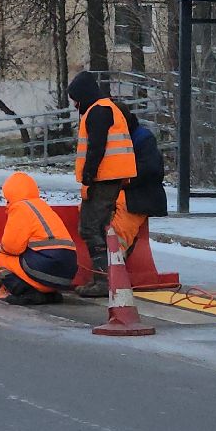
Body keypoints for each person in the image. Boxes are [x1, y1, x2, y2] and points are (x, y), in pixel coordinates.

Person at [68, 70, 137, 297]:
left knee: (90, 228)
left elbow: (97, 147)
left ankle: (103, 280)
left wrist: (88, 175)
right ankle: (110, 276)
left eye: (76, 100)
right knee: (100, 228)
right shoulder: (106, 108)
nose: (76, 105)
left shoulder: (98, 111)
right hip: (111, 177)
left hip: (104, 178)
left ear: (84, 95)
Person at [0, 172, 79, 305]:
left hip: (46, 264)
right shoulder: (41, 206)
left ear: (10, 192)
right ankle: (50, 295)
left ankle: (28, 294)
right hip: (67, 269)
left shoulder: (20, 208)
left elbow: (13, 247)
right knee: (27, 258)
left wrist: (0, 249)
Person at [111, 122, 169, 260]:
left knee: (119, 229)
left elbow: (150, 170)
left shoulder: (142, 139)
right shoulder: (125, 136)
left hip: (139, 196)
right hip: (122, 192)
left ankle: (115, 259)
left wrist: (119, 181)